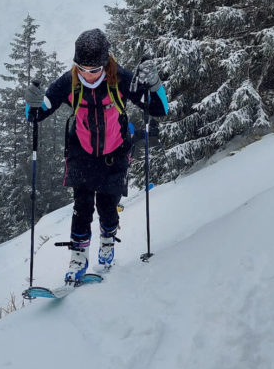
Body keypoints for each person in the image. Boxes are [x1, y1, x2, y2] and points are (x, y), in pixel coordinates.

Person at [24, 28, 169, 283]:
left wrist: (155, 84)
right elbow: (37, 114)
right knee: (81, 209)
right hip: (81, 153)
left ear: (105, 63)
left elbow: (159, 108)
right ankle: (78, 259)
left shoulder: (121, 80)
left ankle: (107, 239)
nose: (88, 75)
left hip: (115, 154)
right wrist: (32, 102)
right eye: (82, 68)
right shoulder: (70, 82)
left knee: (108, 209)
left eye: (94, 70)